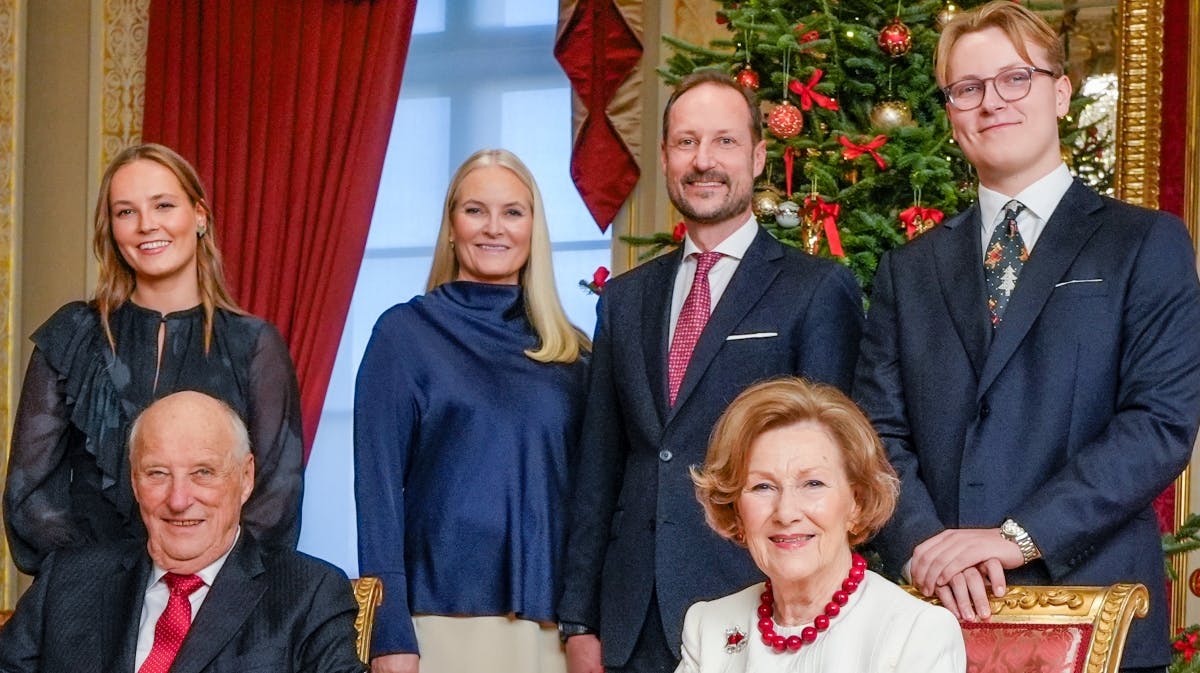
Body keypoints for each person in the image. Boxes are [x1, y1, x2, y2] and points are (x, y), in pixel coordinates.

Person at [852, 3, 1200, 671]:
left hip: (1095, 614)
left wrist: (1016, 537)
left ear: (1061, 92)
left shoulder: (1143, 243)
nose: (991, 104)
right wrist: (925, 545)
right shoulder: (909, 268)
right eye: (967, 88)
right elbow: (875, 435)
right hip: (938, 618)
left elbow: (1158, 424)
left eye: (1016, 79)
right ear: (951, 112)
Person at [558, 70, 864, 673]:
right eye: (686, 142)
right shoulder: (624, 300)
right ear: (667, 157)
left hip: (757, 609)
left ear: (756, 156)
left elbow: (832, 468)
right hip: (631, 620)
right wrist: (579, 620)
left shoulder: (816, 290)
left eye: (724, 141)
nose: (704, 161)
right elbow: (599, 466)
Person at [4, 143, 304, 576]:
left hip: (218, 602)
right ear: (111, 229)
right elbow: (29, 496)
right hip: (88, 594)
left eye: (163, 205)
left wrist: (197, 583)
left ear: (199, 215)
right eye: (126, 212)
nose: (147, 225)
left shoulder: (254, 343)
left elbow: (277, 498)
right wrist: (108, 583)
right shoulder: (73, 333)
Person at [354, 148, 591, 673]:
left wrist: (586, 623)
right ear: (451, 226)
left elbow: (592, 504)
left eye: (513, 212)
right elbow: (377, 494)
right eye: (475, 210)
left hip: (551, 627)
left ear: (534, 227)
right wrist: (389, 634)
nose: (494, 228)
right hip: (437, 620)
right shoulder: (403, 335)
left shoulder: (573, 354)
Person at [0, 391, 363, 673]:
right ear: (134, 480)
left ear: (245, 477)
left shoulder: (308, 593)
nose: (178, 499)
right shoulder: (65, 581)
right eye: (157, 473)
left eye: (203, 472)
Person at [678, 378, 964, 672]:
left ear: (857, 503)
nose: (786, 512)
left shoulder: (915, 633)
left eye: (813, 483)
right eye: (763, 486)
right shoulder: (709, 627)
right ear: (735, 510)